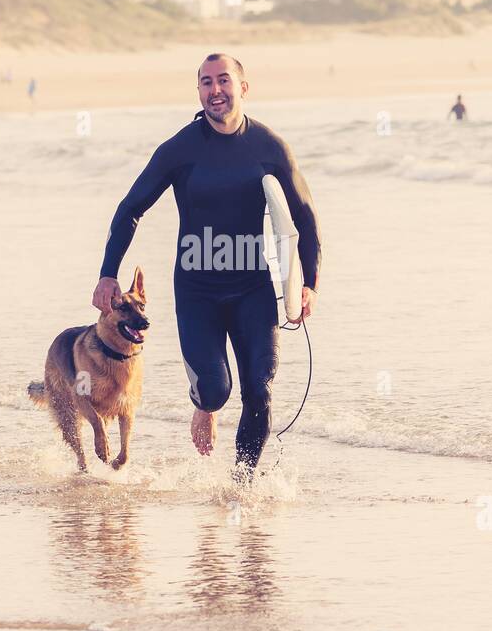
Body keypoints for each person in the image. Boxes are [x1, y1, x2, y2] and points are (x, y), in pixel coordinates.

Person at [92, 53, 322, 480]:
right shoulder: (181, 149)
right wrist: (109, 272)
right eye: (206, 83)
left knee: (260, 387)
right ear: (198, 91)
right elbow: (130, 209)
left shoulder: (269, 147)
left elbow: (303, 217)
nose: (215, 90)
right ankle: (205, 406)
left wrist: (308, 283)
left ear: (243, 87)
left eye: (224, 81)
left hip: (252, 286)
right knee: (217, 390)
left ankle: (244, 483)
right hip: (198, 291)